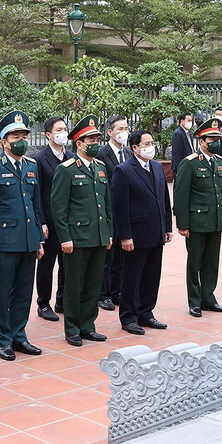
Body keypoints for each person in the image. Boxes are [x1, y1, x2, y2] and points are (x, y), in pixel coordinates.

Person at [0, 111, 44, 361]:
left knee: (24, 291)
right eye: (15, 136)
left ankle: (19, 335)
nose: (21, 141)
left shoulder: (32, 166)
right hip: (4, 242)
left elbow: (36, 206)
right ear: (3, 141)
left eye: (24, 136)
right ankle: (3, 339)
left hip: (27, 239)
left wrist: (38, 239)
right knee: (3, 291)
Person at [50, 114, 112, 347]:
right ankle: (73, 328)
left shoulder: (101, 168)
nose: (95, 143)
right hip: (76, 238)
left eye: (97, 138)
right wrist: (65, 238)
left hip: (98, 235)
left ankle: (88, 325)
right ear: (79, 143)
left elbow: (106, 204)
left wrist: (108, 233)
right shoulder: (66, 169)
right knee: (74, 285)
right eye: (90, 139)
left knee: (93, 283)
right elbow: (59, 207)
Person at [110, 130, 172, 335]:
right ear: (135, 148)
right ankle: (129, 317)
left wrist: (168, 227)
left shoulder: (156, 166)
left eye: (152, 142)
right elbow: (119, 207)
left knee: (152, 275)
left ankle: (146, 313)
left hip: (156, 232)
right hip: (135, 235)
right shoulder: (124, 170)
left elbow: (164, 199)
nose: (150, 147)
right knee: (132, 278)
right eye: (146, 143)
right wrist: (125, 236)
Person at [173, 118, 222, 317]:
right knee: (194, 263)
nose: (215, 141)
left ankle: (209, 297)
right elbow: (181, 195)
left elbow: (220, 194)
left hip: (215, 221)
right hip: (196, 222)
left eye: (217, 138)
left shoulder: (220, 162)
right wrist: (183, 224)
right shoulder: (189, 164)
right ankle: (195, 300)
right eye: (211, 138)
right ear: (201, 141)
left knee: (212, 261)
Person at [33, 116, 72, 322]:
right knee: (47, 265)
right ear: (48, 135)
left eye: (65, 129)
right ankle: (43, 303)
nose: (63, 133)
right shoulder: (40, 159)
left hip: (69, 222)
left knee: (67, 264)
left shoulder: (72, 156)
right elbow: (38, 193)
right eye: (59, 129)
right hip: (50, 221)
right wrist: (42, 222)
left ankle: (62, 300)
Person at [96, 114, 129, 311]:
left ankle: (116, 292)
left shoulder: (129, 154)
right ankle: (104, 294)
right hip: (108, 212)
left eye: (125, 129)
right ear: (110, 132)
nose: (124, 133)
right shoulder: (102, 153)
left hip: (125, 212)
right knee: (107, 257)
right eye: (120, 129)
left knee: (121, 257)